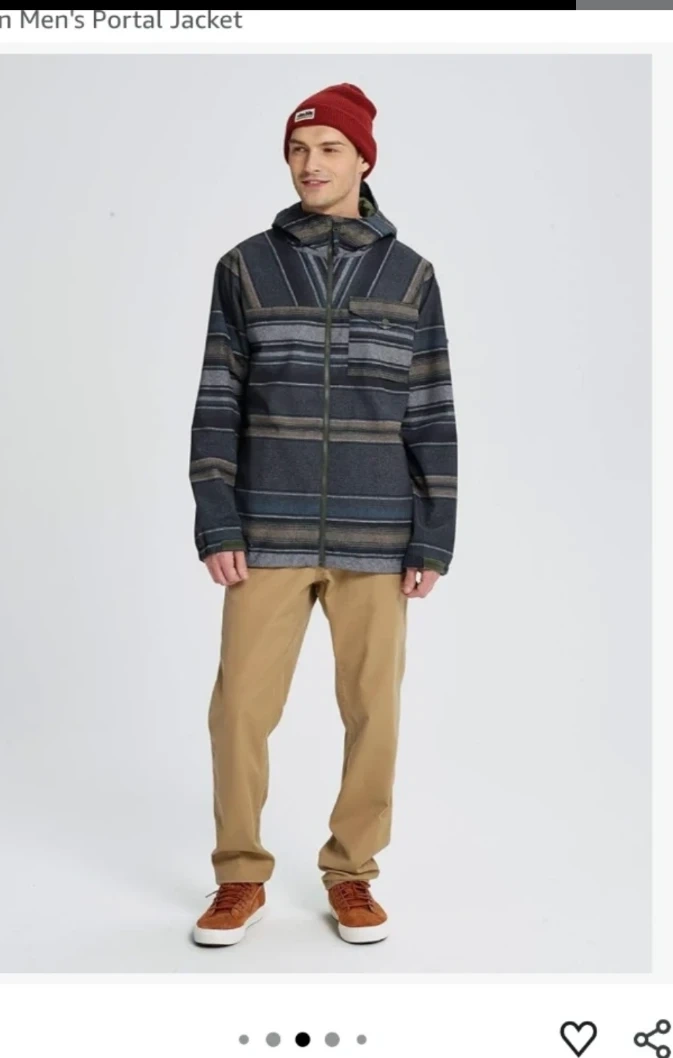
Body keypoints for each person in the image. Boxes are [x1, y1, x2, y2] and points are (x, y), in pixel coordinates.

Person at [189, 83, 458, 947]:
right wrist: (216, 517)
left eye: (329, 149)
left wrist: (433, 534)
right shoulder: (245, 267)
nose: (310, 164)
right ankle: (239, 874)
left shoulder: (410, 274)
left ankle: (351, 872)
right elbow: (216, 399)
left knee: (374, 711)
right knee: (239, 708)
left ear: (363, 160)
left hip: (377, 535)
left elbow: (431, 408)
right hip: (264, 529)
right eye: (298, 150)